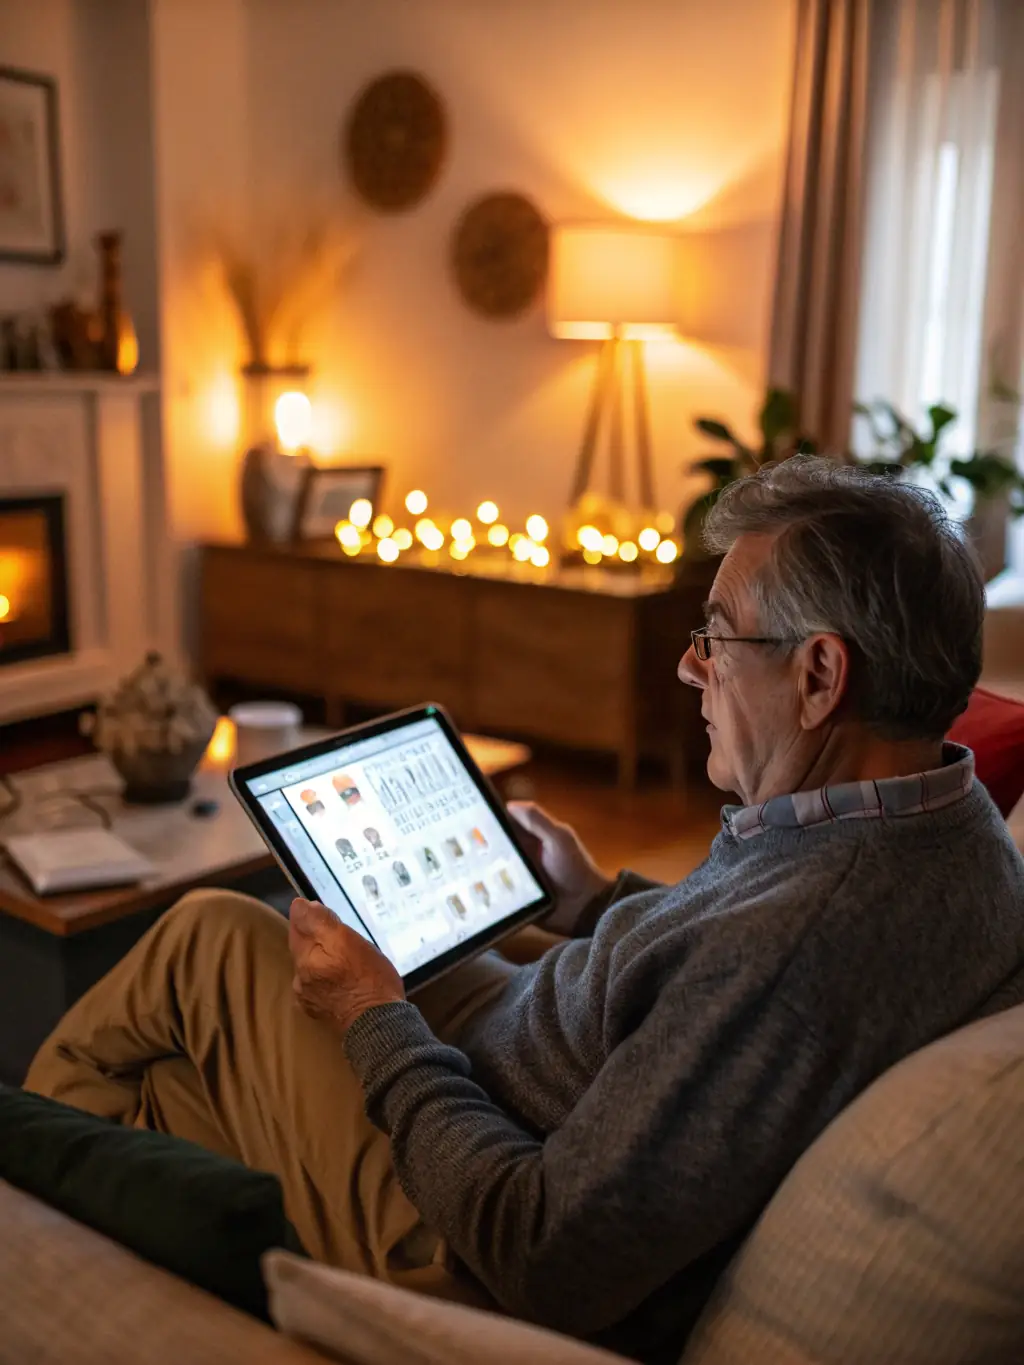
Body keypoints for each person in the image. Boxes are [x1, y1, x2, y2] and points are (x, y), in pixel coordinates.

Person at [27, 459, 1024, 1363]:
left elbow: (542, 1255)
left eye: (715, 638)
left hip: (463, 1228)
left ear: (817, 675)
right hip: (530, 1063)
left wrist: (377, 1022)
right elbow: (713, 975)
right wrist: (600, 903)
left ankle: (31, 1234)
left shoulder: (798, 945)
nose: (689, 668)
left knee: (211, 939)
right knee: (216, 1046)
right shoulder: (953, 825)